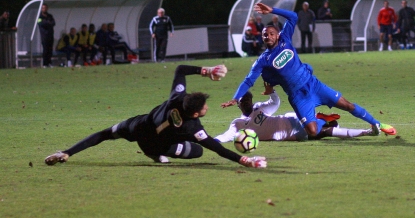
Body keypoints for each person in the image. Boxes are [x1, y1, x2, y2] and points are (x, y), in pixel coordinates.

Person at [221, 2, 397, 140]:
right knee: (312, 132)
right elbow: (248, 80)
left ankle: (377, 124)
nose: (268, 36)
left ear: (278, 35)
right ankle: (321, 119)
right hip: (298, 97)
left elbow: (293, 17)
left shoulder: (285, 39)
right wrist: (236, 97)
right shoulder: (263, 60)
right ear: (262, 38)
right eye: (265, 34)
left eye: (271, 33)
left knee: (347, 105)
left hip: (313, 85)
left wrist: (272, 10)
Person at [44, 64, 266, 168]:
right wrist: (243, 159)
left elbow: (180, 69)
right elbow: (217, 149)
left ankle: (65, 153)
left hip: (138, 126)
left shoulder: (177, 97)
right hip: (156, 147)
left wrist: (205, 71)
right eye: (205, 107)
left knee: (106, 134)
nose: (207, 107)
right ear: (196, 113)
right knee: (197, 151)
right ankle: (160, 154)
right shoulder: (194, 129)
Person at [215, 84, 377, 143]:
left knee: (323, 128)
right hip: (291, 133)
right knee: (325, 132)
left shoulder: (259, 108)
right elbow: (225, 137)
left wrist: (272, 92)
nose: (247, 103)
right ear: (238, 104)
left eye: (248, 100)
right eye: (243, 102)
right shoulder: (238, 124)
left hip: (291, 117)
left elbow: (275, 103)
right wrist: (208, 140)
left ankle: (323, 119)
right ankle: (367, 132)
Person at [37, 3, 56, 68]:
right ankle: (45, 63)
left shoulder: (50, 16)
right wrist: (48, 23)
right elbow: (40, 23)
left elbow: (53, 23)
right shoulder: (39, 16)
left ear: (47, 8)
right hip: (44, 36)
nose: (44, 9)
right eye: (43, 8)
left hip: (50, 35)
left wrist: (46, 22)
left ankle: (49, 62)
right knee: (45, 49)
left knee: (50, 50)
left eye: (45, 8)